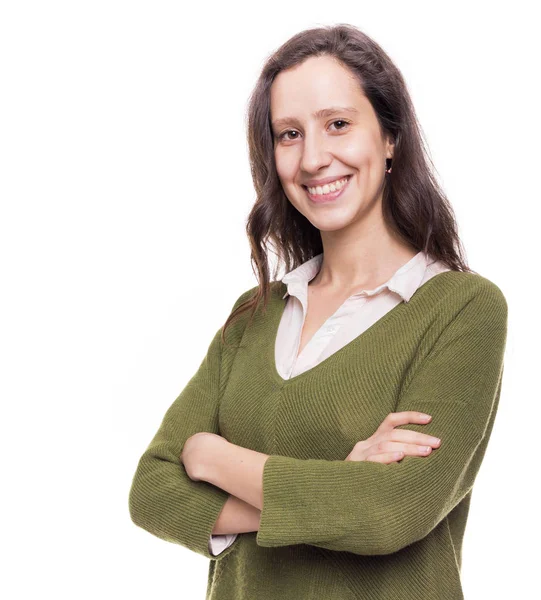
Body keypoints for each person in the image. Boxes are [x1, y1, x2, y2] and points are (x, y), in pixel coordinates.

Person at [129, 23, 508, 600]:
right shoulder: (253, 316)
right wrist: (334, 485)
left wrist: (213, 456)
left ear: (390, 137)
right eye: (288, 134)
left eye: (337, 124)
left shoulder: (463, 309)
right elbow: (152, 492)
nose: (313, 159)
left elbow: (389, 511)